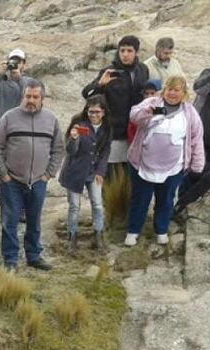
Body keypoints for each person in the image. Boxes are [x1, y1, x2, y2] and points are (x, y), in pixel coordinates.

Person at [0, 80, 64, 272]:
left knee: (34, 221)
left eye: (35, 97)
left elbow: (58, 149)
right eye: (28, 96)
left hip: (39, 181)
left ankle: (33, 256)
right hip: (11, 181)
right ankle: (11, 261)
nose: (31, 100)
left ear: (42, 99)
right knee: (10, 221)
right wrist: (3, 174)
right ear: (22, 97)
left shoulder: (51, 120)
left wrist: (48, 175)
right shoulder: (8, 117)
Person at [124, 75, 205, 246]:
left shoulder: (190, 112)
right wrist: (147, 112)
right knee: (140, 199)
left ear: (183, 93)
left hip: (173, 167)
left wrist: (197, 165)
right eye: (169, 89)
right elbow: (133, 116)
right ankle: (133, 230)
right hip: (143, 163)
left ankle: (161, 229)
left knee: (166, 199)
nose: (172, 93)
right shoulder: (151, 102)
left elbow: (196, 139)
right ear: (164, 90)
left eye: (177, 90)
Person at [82, 35, 149, 227]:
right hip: (114, 131)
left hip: (136, 132)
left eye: (129, 51)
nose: (125, 55)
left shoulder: (143, 70)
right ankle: (109, 214)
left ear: (136, 52)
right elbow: (86, 94)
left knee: (131, 174)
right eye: (122, 50)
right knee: (110, 174)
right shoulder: (109, 71)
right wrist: (100, 84)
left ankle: (127, 213)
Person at [58, 95, 112, 255]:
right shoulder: (79, 125)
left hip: (93, 171)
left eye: (97, 112)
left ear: (103, 112)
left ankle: (98, 236)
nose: (93, 115)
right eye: (90, 112)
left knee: (97, 204)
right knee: (74, 206)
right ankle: (72, 238)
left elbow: (105, 151)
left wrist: (101, 171)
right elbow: (71, 151)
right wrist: (74, 139)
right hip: (75, 171)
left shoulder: (107, 128)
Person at [0, 48, 35, 126]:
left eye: (18, 61)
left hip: (20, 126)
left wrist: (19, 79)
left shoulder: (29, 81)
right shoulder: (2, 80)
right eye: (12, 61)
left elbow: (30, 97)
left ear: (24, 64)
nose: (15, 64)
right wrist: (0, 75)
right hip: (1, 126)